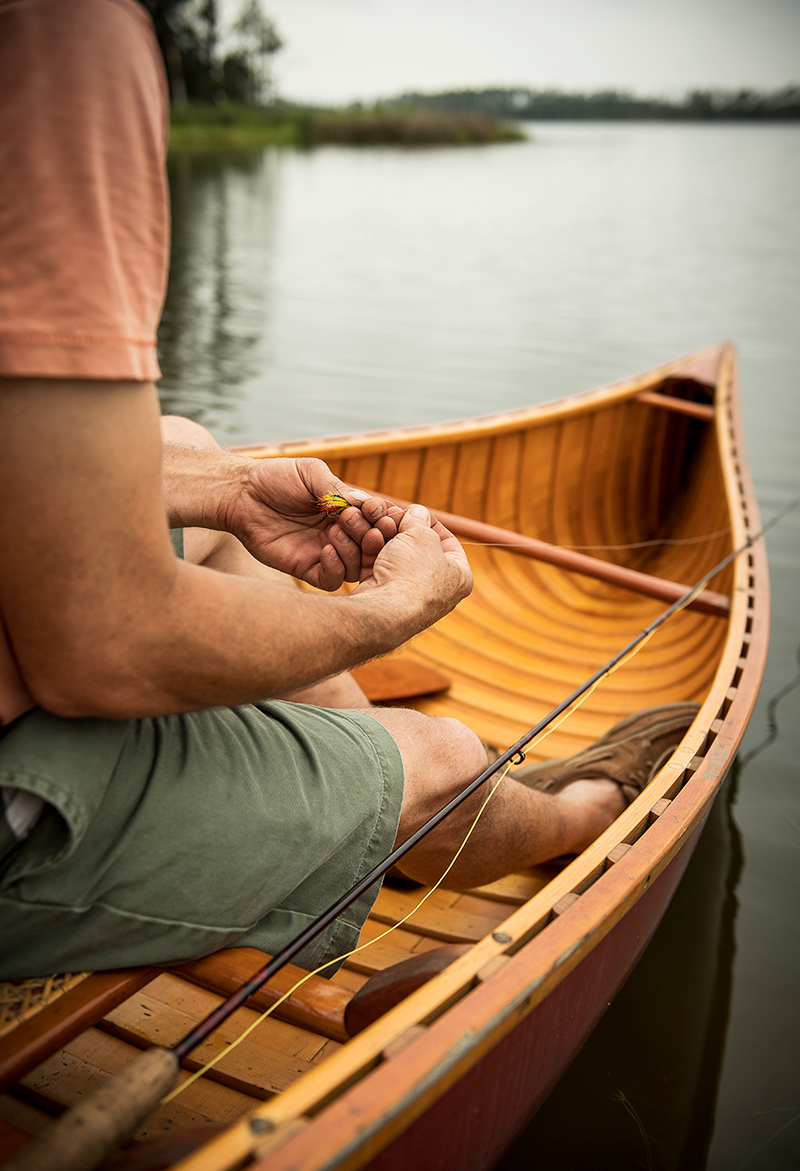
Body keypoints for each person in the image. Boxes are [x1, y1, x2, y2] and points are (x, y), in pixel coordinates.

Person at [0, 0, 696, 980]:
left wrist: (228, 487)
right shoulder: (63, 36)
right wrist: (394, 607)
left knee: (187, 446)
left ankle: (365, 784)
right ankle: (565, 812)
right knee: (449, 765)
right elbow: (103, 648)